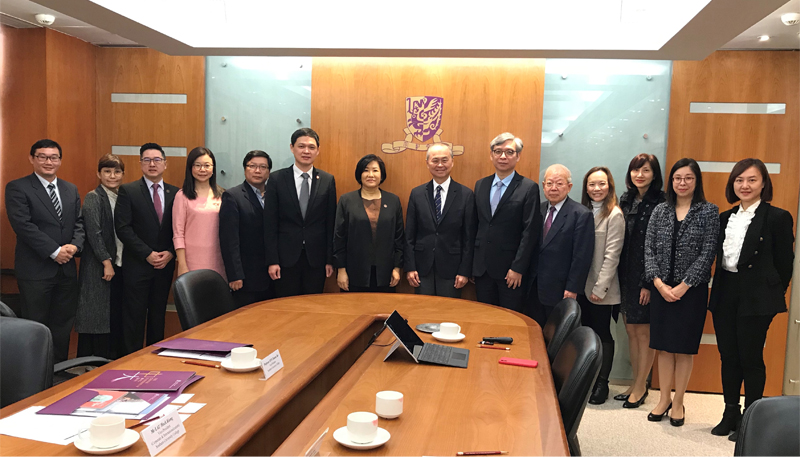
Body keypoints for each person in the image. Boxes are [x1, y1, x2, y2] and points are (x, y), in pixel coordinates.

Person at [708, 158, 794, 441]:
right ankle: (729, 412)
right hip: (726, 292)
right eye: (739, 180)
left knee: (750, 358)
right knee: (728, 356)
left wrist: (772, 294)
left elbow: (785, 263)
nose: (745, 185)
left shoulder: (778, 217)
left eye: (752, 180)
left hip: (757, 297)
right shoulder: (724, 218)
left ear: (763, 183)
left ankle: (751, 417)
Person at [644, 158, 719, 427]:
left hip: (692, 291)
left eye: (688, 178)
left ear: (696, 181)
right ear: (671, 181)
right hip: (661, 289)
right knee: (663, 348)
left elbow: (708, 252)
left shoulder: (708, 212)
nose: (682, 183)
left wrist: (684, 285)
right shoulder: (659, 211)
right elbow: (648, 249)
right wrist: (660, 284)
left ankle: (678, 402)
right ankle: (663, 398)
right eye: (677, 178)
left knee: (684, 349)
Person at [5, 139, 85, 363]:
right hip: (36, 271)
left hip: (66, 271)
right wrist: (54, 250)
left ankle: (58, 372)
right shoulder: (18, 187)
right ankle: (35, 377)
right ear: (32, 158)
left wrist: (75, 246)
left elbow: (78, 223)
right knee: (36, 327)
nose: (48, 161)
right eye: (42, 156)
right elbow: (23, 225)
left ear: (60, 160)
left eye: (54, 157)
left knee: (62, 325)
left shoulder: (70, 189)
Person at [115, 142, 178, 355]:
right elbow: (123, 228)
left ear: (165, 164)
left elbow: (179, 229)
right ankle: (130, 362)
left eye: (157, 160)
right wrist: (147, 254)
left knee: (158, 315)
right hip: (138, 265)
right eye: (147, 160)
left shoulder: (175, 193)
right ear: (140, 163)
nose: (152, 164)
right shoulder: (128, 190)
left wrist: (170, 252)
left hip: (165, 265)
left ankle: (155, 359)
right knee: (134, 317)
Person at [616, 154, 666, 407]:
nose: (640, 175)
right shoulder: (625, 199)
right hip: (624, 273)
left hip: (646, 275)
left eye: (645, 170)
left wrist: (649, 282)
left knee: (644, 333)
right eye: (636, 170)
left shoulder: (661, 202)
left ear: (654, 174)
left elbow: (660, 245)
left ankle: (641, 386)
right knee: (630, 332)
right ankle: (636, 381)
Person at [264, 128, 337, 296]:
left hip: (316, 259)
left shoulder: (327, 180)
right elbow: (269, 223)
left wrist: (329, 260)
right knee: (286, 306)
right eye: (301, 146)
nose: (306, 151)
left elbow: (330, 221)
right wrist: (272, 260)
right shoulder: (276, 179)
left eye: (311, 147)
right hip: (285, 259)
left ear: (318, 150)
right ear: (292, 148)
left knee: (313, 306)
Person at [473, 133, 541, 312]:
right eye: (498, 151)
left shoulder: (528, 187)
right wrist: (474, 265)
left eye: (509, 152)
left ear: (518, 156)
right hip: (482, 270)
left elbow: (530, 231)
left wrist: (518, 268)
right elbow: (477, 226)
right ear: (491, 155)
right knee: (484, 317)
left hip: (510, 271)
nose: (503, 156)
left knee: (510, 319)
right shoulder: (481, 185)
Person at [405, 143, 476, 297]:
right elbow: (409, 235)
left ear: (452, 161)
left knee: (448, 316)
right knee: (424, 312)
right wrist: (410, 267)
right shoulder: (417, 194)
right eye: (435, 160)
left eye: (444, 160)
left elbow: (469, 237)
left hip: (453, 269)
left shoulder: (466, 194)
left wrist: (464, 271)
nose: (440, 165)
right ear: (427, 163)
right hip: (422, 268)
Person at [579, 166, 625, 405]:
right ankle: (585, 379)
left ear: (610, 186)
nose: (597, 189)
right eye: (592, 184)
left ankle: (602, 383)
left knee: (602, 334)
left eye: (601, 184)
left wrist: (600, 288)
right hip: (580, 286)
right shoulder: (582, 210)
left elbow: (612, 255)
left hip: (600, 289)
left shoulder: (614, 214)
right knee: (584, 334)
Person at [75, 154, 126, 359]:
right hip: (99, 265)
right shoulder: (93, 197)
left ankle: (111, 359)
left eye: (116, 171)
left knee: (113, 313)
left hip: (120, 262)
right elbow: (93, 233)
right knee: (95, 316)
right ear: (99, 173)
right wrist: (106, 262)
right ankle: (91, 362)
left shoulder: (123, 195)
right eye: (107, 171)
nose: (112, 176)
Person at [530, 164, 594, 325]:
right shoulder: (538, 209)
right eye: (549, 183)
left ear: (569, 187)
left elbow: (582, 256)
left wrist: (573, 288)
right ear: (543, 186)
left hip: (561, 289)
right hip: (533, 287)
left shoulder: (581, 214)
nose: (553, 188)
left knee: (556, 338)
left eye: (559, 183)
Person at [334, 154, 404, 293]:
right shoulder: (347, 200)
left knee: (384, 312)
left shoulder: (393, 201)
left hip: (386, 273)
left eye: (375, 170)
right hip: (354, 272)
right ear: (359, 174)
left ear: (382, 174)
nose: (370, 175)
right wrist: (341, 270)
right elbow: (339, 237)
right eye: (366, 170)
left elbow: (399, 237)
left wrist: (397, 268)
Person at [219, 150, 274, 308]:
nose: (258, 171)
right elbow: (229, 240)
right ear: (245, 169)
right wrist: (235, 275)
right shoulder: (233, 196)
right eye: (253, 166)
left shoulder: (274, 195)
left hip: (272, 275)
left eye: (263, 167)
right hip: (246, 277)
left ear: (269, 171)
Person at [173, 147, 226, 280]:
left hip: (218, 260)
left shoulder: (223, 195)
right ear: (190, 168)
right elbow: (178, 233)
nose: (202, 170)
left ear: (213, 168)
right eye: (197, 165)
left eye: (207, 165)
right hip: (191, 262)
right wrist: (182, 265)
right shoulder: (182, 196)